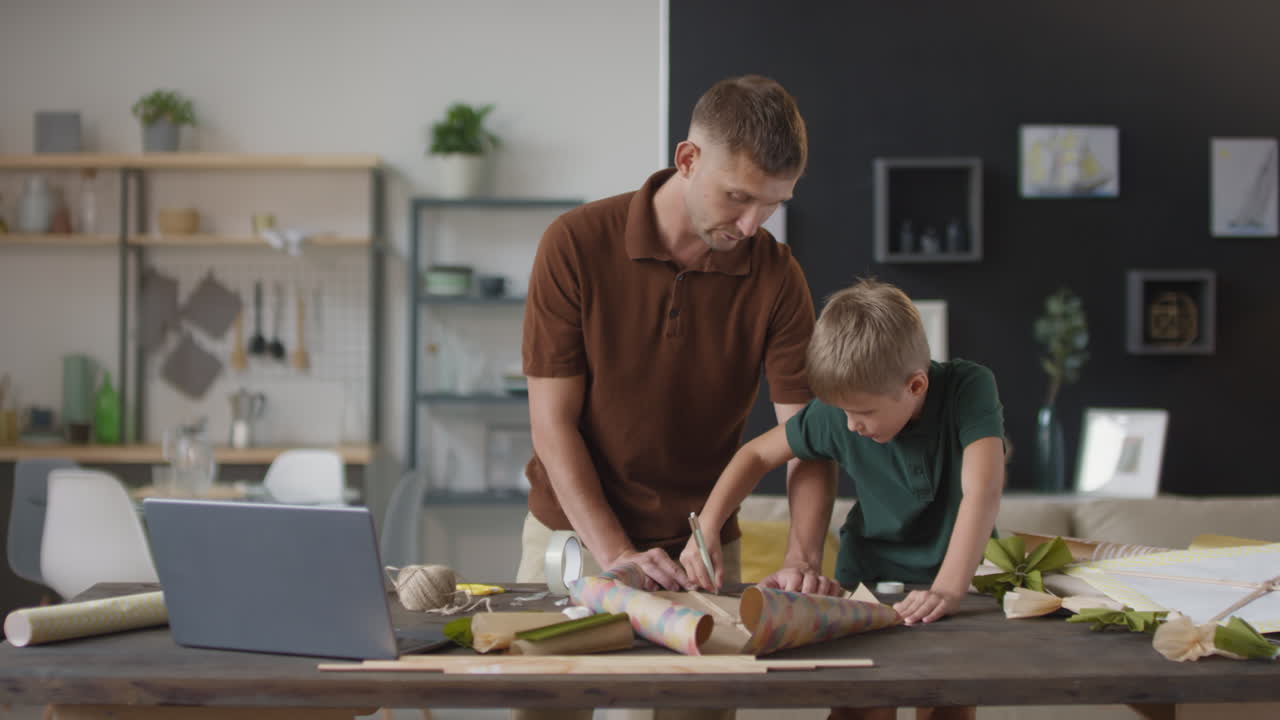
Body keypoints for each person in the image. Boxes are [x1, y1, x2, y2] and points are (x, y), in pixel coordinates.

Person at [681, 278, 1005, 720]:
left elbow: (983, 490)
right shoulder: (839, 413)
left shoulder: (970, 387)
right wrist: (709, 527)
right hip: (867, 578)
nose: (852, 426)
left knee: (947, 705)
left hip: (957, 578)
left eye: (864, 413)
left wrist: (949, 589)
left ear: (915, 386)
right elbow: (755, 454)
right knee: (863, 708)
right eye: (845, 413)